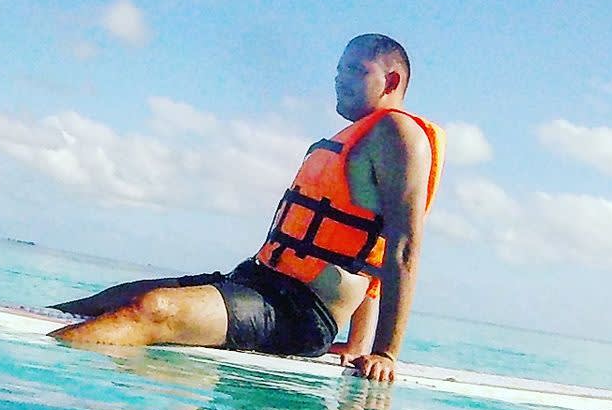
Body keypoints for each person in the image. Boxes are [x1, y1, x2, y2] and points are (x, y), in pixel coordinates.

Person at [49, 33, 442, 384]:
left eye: (355, 70)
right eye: (339, 69)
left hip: (300, 312)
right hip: (256, 283)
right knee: (112, 299)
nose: (340, 78)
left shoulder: (398, 135)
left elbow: (401, 247)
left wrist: (384, 353)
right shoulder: (346, 141)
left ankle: (46, 386)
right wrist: (356, 344)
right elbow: (361, 241)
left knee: (153, 309)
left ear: (390, 81)